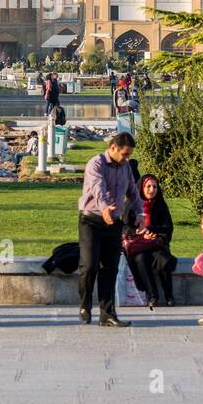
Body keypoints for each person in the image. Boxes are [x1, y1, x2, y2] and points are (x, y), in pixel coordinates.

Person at [77, 131, 142, 327]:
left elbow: (133, 191)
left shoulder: (126, 167)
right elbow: (98, 188)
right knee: (89, 265)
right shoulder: (95, 164)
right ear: (113, 148)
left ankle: (107, 313)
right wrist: (104, 208)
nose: (127, 158)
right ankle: (85, 304)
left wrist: (140, 214)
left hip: (114, 222)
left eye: (129, 155)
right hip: (92, 220)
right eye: (124, 154)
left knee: (110, 268)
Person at [123, 173, 176, 308]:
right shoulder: (131, 204)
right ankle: (153, 296)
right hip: (139, 245)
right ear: (141, 188)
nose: (152, 190)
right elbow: (124, 228)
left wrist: (151, 231)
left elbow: (168, 227)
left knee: (162, 259)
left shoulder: (160, 204)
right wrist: (140, 233)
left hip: (156, 243)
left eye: (155, 187)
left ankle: (169, 295)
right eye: (148, 186)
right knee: (140, 260)